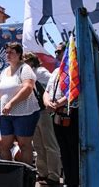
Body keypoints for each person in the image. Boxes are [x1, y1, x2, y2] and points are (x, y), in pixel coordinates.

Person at [0, 42, 40, 165]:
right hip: (6, 115)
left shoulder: (25, 68)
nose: (8, 55)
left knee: (24, 145)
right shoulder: (4, 71)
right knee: (3, 144)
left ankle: (25, 176)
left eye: (11, 52)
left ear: (19, 54)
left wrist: (11, 103)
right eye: (6, 52)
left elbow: (27, 88)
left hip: (24, 113)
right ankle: (9, 176)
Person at [23, 52, 61, 185]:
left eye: (25, 60)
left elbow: (55, 84)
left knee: (49, 144)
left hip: (44, 111)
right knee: (38, 145)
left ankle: (54, 175)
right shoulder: (24, 74)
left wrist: (52, 101)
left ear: (31, 61)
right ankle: (42, 172)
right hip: (32, 112)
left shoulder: (40, 71)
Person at [44, 42, 79, 187]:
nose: (56, 55)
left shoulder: (74, 70)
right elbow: (47, 91)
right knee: (62, 149)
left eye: (59, 52)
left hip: (70, 114)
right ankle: (68, 180)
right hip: (56, 115)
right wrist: (47, 102)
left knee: (73, 150)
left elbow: (74, 91)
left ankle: (75, 181)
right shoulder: (55, 72)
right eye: (56, 52)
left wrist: (59, 103)